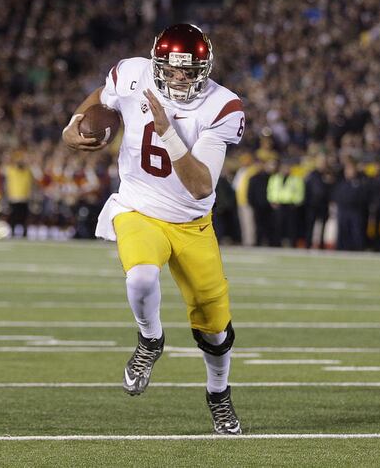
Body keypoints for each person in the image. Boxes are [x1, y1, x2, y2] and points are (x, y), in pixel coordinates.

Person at [62, 23, 244, 435]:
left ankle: (218, 393)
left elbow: (200, 185)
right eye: (172, 69)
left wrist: (167, 132)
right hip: (138, 207)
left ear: (206, 66)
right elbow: (101, 98)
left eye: (189, 69)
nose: (179, 78)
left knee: (215, 330)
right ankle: (151, 339)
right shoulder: (131, 72)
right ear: (157, 63)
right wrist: (74, 122)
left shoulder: (223, 106)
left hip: (191, 222)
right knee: (141, 277)